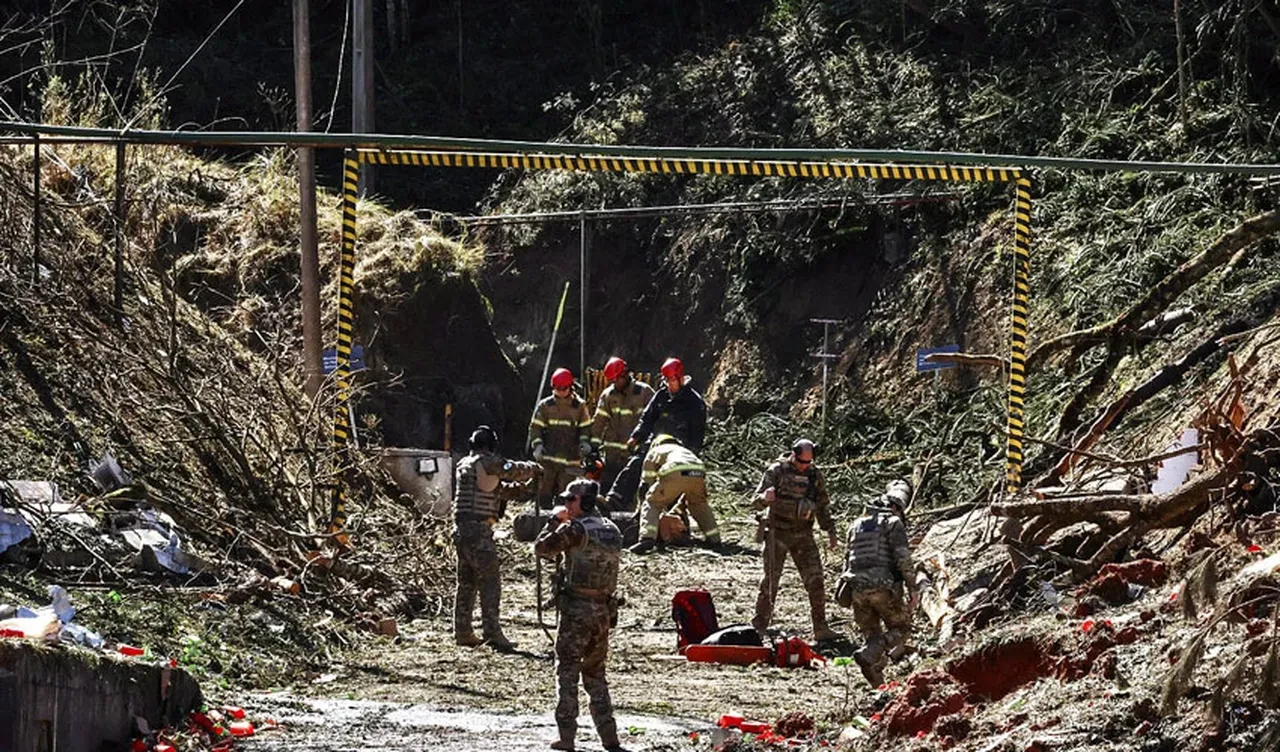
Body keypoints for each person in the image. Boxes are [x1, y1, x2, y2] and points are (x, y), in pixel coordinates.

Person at [535, 479, 625, 752]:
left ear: (584, 501)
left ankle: (567, 736)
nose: (567, 504)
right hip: (603, 611)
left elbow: (542, 548)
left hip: (578, 610)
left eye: (571, 500)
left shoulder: (574, 529)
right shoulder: (611, 529)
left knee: (567, 671)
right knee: (595, 674)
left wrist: (554, 521)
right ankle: (609, 737)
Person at [453, 425, 542, 650]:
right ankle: (492, 632)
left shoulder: (465, 465)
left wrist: (524, 488)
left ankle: (462, 630)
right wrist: (534, 468)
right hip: (479, 532)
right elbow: (511, 469)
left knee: (466, 582)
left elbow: (496, 490)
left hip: (461, 530)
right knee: (490, 583)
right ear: (491, 446)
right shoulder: (487, 462)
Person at [751, 438, 840, 642]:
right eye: (801, 462)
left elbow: (822, 505)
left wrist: (830, 531)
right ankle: (760, 625)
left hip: (803, 535)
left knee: (816, 580)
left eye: (808, 462)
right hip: (777, 533)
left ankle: (821, 627)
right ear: (793, 455)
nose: (804, 466)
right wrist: (764, 498)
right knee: (770, 581)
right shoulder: (776, 471)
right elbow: (755, 502)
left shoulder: (814, 475)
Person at [840, 479, 918, 687]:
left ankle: (878, 684)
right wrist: (913, 588)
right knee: (902, 628)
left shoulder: (855, 525)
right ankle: (869, 654)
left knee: (872, 636)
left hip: (856, 588)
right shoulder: (892, 523)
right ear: (895, 507)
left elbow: (847, 559)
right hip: (882, 588)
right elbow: (903, 559)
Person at [609, 357, 706, 510]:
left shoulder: (694, 403)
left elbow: (696, 436)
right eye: (666, 380)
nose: (669, 385)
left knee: (671, 482)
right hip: (654, 445)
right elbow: (647, 419)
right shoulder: (661, 396)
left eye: (671, 380)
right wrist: (636, 437)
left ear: (680, 378)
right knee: (635, 465)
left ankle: (670, 513)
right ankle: (615, 500)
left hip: (678, 451)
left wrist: (691, 458)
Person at [628, 434, 719, 553]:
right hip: (698, 471)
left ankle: (647, 538)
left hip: (675, 469)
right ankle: (714, 539)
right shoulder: (684, 451)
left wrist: (640, 509)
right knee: (699, 505)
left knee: (652, 502)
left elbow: (646, 484)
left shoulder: (654, 451)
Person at [591, 357, 654, 500]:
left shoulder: (644, 393)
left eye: (616, 380)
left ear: (625, 374)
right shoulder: (608, 395)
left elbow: (654, 420)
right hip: (612, 457)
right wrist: (593, 448)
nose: (614, 384)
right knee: (606, 493)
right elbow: (598, 423)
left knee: (631, 495)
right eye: (611, 381)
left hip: (634, 455)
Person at [529, 367, 594, 508]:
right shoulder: (545, 405)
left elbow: (585, 428)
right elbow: (536, 428)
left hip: (570, 460)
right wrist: (537, 445)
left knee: (565, 493)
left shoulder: (579, 406)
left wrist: (584, 443)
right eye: (557, 388)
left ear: (570, 387)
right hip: (548, 459)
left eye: (564, 388)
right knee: (544, 492)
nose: (560, 391)